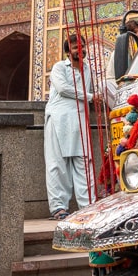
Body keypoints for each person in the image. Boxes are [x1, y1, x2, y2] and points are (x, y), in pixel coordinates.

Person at [45, 33, 94, 220]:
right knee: (58, 165)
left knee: (84, 164)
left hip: (80, 120)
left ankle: (88, 206)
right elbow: (63, 89)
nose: (80, 50)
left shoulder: (88, 70)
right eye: (75, 48)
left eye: (82, 46)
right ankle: (59, 207)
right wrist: (90, 97)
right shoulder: (59, 68)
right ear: (68, 52)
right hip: (59, 120)